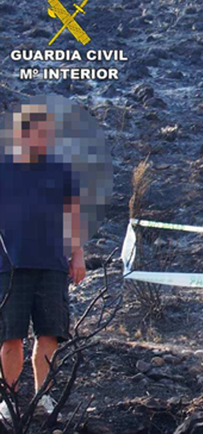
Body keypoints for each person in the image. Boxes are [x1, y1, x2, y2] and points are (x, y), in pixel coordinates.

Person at [0, 104, 85, 420]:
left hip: (52, 264)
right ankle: (8, 401)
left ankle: (43, 397)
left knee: (49, 334)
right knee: (11, 336)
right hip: (11, 265)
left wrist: (77, 255)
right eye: (40, 131)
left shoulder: (61, 168)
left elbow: (73, 216)